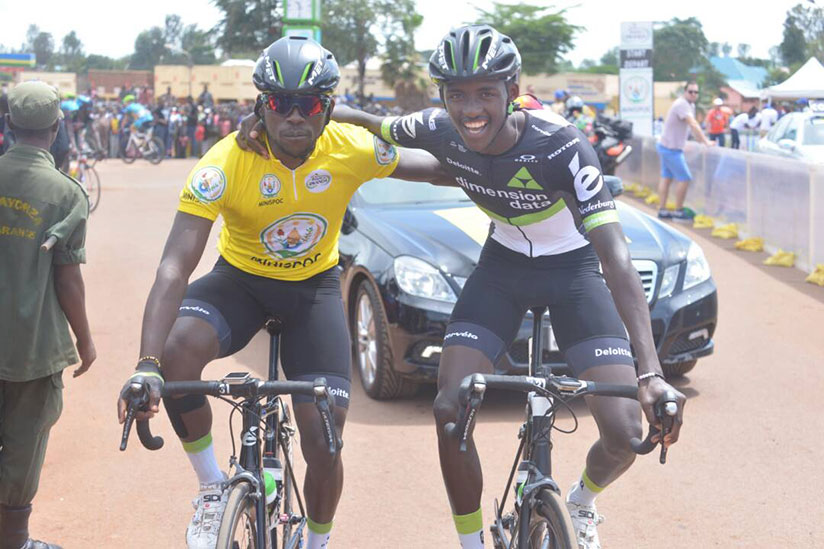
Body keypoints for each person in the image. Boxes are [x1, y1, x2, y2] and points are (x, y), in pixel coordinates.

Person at [240, 24, 686, 549]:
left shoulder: (562, 144)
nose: (470, 108)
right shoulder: (436, 126)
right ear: (442, 96)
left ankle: (582, 502)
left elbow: (615, 256)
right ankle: (472, 541)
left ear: (513, 88)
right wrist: (264, 122)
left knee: (626, 433)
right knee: (450, 409)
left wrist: (651, 372)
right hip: (501, 271)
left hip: (575, 274)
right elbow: (363, 120)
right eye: (457, 94)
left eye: (485, 93)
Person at [116, 36, 446, 549]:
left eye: (310, 103)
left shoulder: (351, 147)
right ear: (260, 106)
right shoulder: (224, 161)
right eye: (279, 103)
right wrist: (146, 363)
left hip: (312, 295)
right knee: (176, 352)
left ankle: (316, 541)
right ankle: (210, 489)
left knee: (325, 442)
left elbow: (441, 169)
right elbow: (173, 267)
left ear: (329, 108)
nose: (294, 116)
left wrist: (514, 162)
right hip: (240, 283)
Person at [0, 81, 95, 549]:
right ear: (57, 128)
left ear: (8, 126)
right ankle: (14, 541)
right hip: (32, 350)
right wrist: (86, 340)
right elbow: (68, 280)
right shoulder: (66, 194)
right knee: (24, 444)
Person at [656, 81, 715, 220]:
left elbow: (690, 127)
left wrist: (697, 141)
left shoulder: (689, 105)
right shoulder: (682, 104)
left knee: (666, 178)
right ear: (685, 92)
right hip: (670, 148)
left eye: (696, 92)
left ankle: (662, 210)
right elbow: (693, 124)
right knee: (685, 178)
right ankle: (678, 210)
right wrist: (705, 141)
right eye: (691, 91)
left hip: (668, 146)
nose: (693, 94)